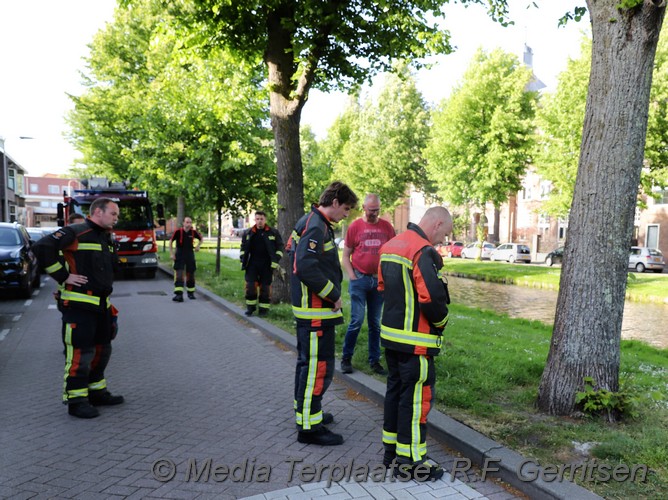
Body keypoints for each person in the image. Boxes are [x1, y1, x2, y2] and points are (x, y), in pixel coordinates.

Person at [378, 206, 452, 480]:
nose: (443, 240)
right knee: (416, 402)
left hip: (392, 338)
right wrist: (442, 323)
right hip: (416, 343)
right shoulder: (421, 250)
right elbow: (432, 298)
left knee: (395, 395)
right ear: (438, 223)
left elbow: (383, 288)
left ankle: (391, 452)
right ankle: (410, 461)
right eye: (445, 234)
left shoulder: (390, 246)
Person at [34, 197, 124, 419]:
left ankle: (97, 392)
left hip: (102, 305)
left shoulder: (106, 237)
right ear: (98, 212)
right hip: (78, 305)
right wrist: (64, 276)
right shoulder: (75, 231)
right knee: (80, 354)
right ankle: (76, 401)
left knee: (103, 350)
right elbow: (41, 247)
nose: (116, 218)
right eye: (113, 213)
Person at [289, 181, 358, 446]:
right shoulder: (316, 227)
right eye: (347, 208)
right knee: (317, 368)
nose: (347, 214)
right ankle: (309, 428)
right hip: (316, 312)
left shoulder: (312, 222)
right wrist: (334, 295)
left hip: (311, 311)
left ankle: (307, 411)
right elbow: (305, 267)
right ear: (335, 202)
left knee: (307, 365)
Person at [340, 194, 395, 375]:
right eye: (371, 210)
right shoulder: (355, 227)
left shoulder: (387, 227)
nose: (374, 213)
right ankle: (346, 358)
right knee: (356, 320)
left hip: (378, 281)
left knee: (375, 323)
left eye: (377, 209)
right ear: (364, 207)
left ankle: (375, 361)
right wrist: (352, 276)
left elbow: (393, 253)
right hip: (360, 279)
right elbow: (345, 255)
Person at [240, 211, 284, 317]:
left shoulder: (273, 232)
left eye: (262, 219)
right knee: (250, 286)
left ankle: (263, 310)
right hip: (252, 264)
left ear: (265, 220)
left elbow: (280, 247)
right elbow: (243, 248)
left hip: (267, 265)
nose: (260, 221)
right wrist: (242, 258)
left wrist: (276, 260)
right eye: (258, 219)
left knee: (265, 288)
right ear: (255, 220)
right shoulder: (248, 232)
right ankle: (250, 308)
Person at [170, 217, 202, 302]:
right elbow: (170, 242)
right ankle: (179, 295)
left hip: (189, 254)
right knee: (179, 274)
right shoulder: (178, 232)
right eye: (187, 222)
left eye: (190, 223)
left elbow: (201, 238)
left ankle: (190, 293)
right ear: (183, 223)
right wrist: (172, 254)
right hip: (180, 254)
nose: (189, 224)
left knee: (190, 274)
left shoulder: (193, 232)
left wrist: (198, 246)